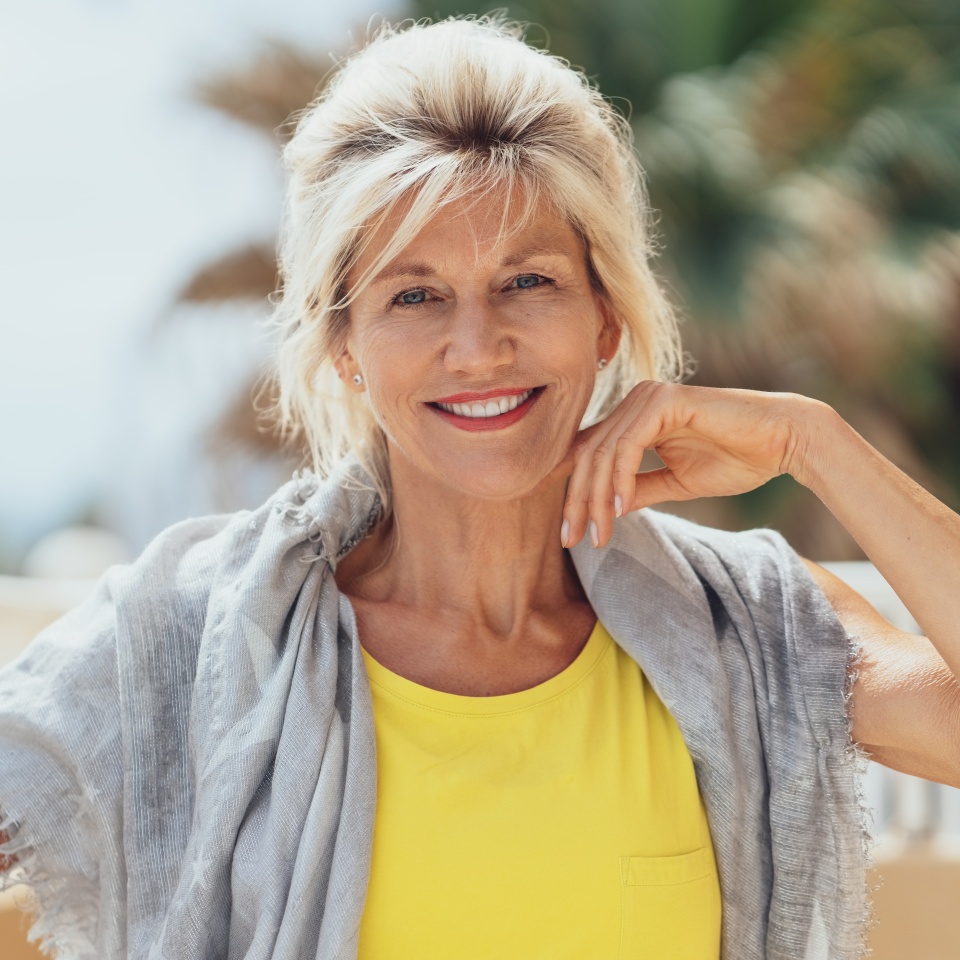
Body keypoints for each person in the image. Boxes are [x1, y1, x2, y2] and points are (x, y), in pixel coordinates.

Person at [2, 15, 959, 960]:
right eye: (414, 295)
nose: (478, 346)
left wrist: (814, 441)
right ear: (345, 349)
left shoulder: (752, 630)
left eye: (529, 281)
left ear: (607, 318)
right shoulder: (193, 641)